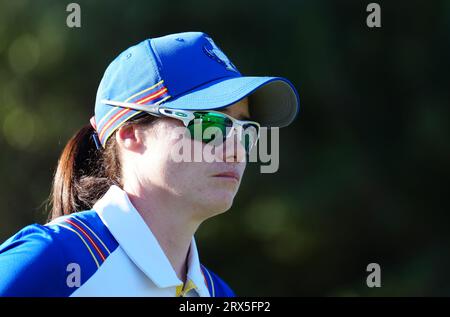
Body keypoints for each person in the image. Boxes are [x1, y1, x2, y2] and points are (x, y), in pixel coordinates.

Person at [0, 32, 299, 297]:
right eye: (210, 124)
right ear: (130, 134)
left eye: (246, 131)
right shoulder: (50, 261)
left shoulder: (218, 293)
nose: (236, 151)